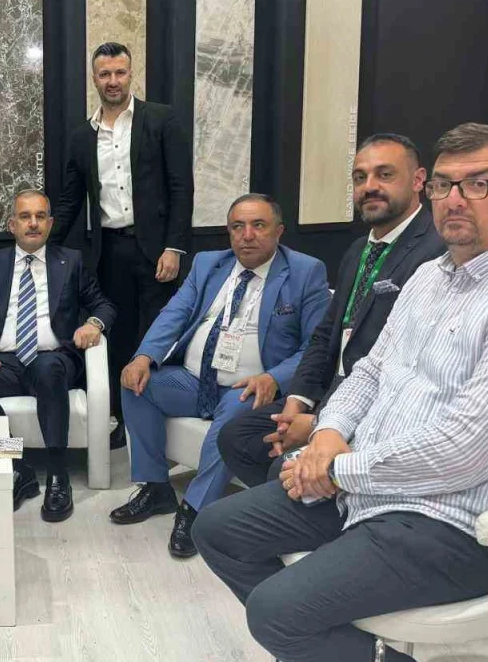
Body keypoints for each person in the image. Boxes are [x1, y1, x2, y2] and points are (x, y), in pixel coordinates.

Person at [193, 123, 488, 662]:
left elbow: (464, 451)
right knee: (217, 528)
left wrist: (335, 468)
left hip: (457, 523)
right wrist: (328, 435)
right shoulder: (430, 277)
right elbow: (368, 371)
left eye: (479, 184)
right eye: (445, 185)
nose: (455, 199)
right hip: (372, 489)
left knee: (276, 611)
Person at [217, 135, 444, 487]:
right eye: (360, 177)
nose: (370, 186)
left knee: (283, 470)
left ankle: (314, 498)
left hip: (378, 404)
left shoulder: (437, 251)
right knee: (237, 438)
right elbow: (325, 335)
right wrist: (297, 401)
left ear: (418, 181)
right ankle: (307, 499)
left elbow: (411, 367)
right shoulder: (358, 250)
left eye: (385, 175)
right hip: (328, 390)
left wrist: (319, 423)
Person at [112, 194, 329, 559]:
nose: (247, 235)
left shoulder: (305, 272)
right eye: (237, 227)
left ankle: (195, 509)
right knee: (137, 386)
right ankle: (156, 487)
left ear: (279, 231)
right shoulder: (208, 264)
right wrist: (143, 356)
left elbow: (316, 346)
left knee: (233, 417)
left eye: (258, 225)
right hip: (194, 380)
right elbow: (175, 313)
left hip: (250, 387)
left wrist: (274, 378)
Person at [51, 42, 192, 448]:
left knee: (159, 335)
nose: (113, 81)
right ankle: (121, 419)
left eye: (120, 73)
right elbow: (70, 201)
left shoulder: (161, 120)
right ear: (94, 79)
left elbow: (181, 187)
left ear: (131, 74)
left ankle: (158, 418)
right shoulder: (82, 136)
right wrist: (42, 245)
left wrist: (174, 247)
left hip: (156, 252)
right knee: (119, 338)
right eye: (105, 74)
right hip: (108, 252)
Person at [0, 190, 115, 522]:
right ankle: (16, 469)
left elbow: (103, 305)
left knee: (47, 367)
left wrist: (93, 323)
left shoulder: (70, 261)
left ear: (50, 223)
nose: (33, 223)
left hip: (54, 359)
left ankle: (58, 475)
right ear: (12, 224)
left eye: (40, 216)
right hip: (5, 361)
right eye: (25, 216)